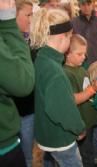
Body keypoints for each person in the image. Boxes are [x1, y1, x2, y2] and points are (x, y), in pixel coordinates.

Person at [30, 8, 85, 167]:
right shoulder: (55, 72)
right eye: (70, 37)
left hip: (45, 134)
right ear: (63, 37)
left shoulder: (41, 59)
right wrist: (79, 128)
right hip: (60, 138)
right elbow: (63, 109)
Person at [0, 0, 35, 166]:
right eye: (28, 15)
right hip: (7, 140)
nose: (31, 20)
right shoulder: (9, 35)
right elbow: (23, 82)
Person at [63, 34, 97, 167]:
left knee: (89, 150)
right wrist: (92, 89)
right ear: (67, 54)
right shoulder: (66, 73)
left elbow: (85, 87)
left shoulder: (81, 69)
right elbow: (73, 99)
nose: (84, 57)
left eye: (84, 54)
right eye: (79, 54)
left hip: (89, 119)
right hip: (81, 122)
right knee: (84, 155)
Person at [14, 0, 35, 166]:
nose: (31, 19)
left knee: (27, 156)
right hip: (14, 112)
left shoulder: (28, 41)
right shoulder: (8, 43)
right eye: (28, 15)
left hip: (28, 110)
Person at [72, 0, 97, 67]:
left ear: (92, 4)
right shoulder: (73, 23)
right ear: (79, 6)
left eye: (88, 4)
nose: (86, 7)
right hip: (79, 64)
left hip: (96, 63)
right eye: (83, 4)